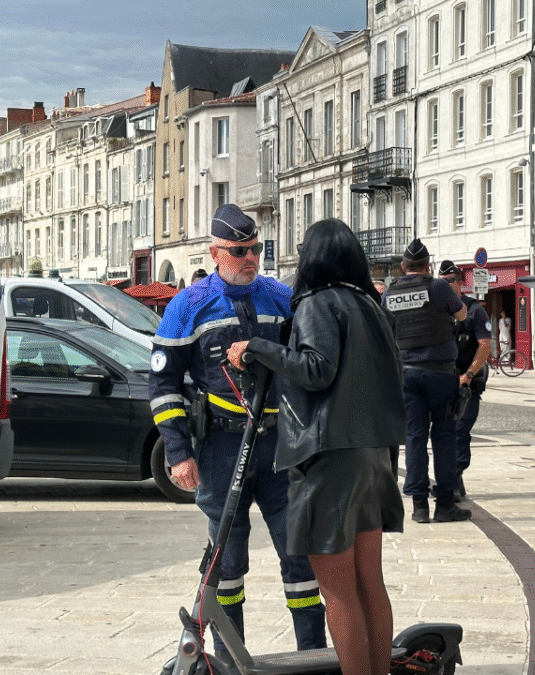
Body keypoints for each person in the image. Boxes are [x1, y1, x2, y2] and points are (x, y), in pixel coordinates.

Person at [148, 204, 326, 671]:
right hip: (222, 447)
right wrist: (178, 452)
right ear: (215, 252)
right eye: (239, 251)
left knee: (300, 555)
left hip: (281, 445)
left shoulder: (281, 297)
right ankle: (229, 662)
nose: (250, 259)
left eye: (256, 249)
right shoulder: (187, 305)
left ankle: (313, 655)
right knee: (227, 564)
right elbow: (163, 385)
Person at [226, 218, 406, 675]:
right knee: (370, 584)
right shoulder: (372, 306)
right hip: (375, 456)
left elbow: (316, 369)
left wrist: (257, 348)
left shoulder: (317, 303)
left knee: (338, 591)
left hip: (330, 457)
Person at [382, 239, 469, 524]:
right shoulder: (438, 287)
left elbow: (384, 328)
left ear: (403, 266)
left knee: (415, 436)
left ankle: (419, 506)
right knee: (444, 437)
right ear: (428, 266)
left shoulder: (391, 292)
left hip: (406, 373)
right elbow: (462, 313)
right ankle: (445, 504)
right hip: (440, 373)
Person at [439, 261, 491, 501]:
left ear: (460, 282)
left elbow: (485, 345)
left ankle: (456, 474)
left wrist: (469, 375)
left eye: (451, 280)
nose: (447, 285)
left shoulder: (474, 310)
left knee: (461, 430)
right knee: (444, 433)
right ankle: (453, 480)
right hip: (442, 380)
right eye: (442, 281)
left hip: (468, 382)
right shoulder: (436, 309)